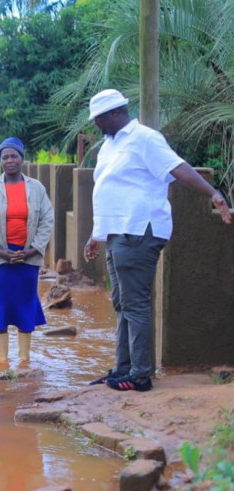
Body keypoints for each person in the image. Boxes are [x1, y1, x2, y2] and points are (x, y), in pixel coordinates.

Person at [84, 89, 232, 392]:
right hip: (116, 232)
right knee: (121, 303)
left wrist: (214, 194)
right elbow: (109, 191)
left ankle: (140, 374)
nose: (96, 124)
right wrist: (95, 236)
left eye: (98, 118)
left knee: (135, 303)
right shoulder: (109, 145)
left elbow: (178, 168)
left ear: (114, 113)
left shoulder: (145, 138)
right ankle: (123, 367)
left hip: (139, 230)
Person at [0, 138, 54, 364]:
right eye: (5, 157)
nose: (10, 161)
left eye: (14, 156)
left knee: (24, 306)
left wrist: (32, 250)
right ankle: (1, 359)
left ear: (22, 158)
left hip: (27, 258)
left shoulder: (36, 188)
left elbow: (47, 220)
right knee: (0, 307)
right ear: (0, 161)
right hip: (0, 259)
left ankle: (24, 358)